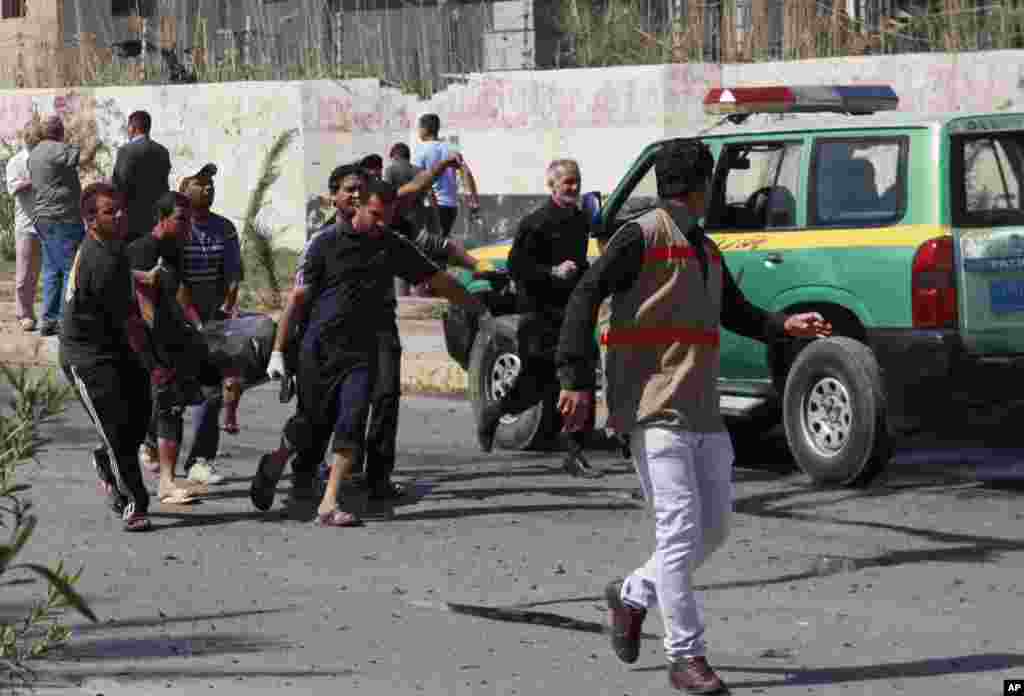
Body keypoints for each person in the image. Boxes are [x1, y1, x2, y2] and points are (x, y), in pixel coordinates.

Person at [555, 140, 832, 693]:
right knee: (679, 530)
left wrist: (784, 325)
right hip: (653, 407)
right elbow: (585, 293)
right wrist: (576, 379)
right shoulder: (639, 236)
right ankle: (686, 656)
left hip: (702, 408)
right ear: (701, 186)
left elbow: (735, 311)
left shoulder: (705, 250)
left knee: (712, 531)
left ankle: (632, 593)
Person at [255, 179, 490, 528]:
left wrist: (475, 307)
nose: (382, 224)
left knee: (351, 421)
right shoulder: (324, 244)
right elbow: (297, 301)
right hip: (318, 350)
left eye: (388, 218)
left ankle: (329, 502)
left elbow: (435, 278)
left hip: (361, 353)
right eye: (376, 215)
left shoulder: (391, 244)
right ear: (357, 206)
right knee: (311, 425)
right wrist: (278, 351)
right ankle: (276, 460)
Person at [476, 159, 600, 478]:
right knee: (535, 386)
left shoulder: (580, 220)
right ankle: (495, 412)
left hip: (572, 314)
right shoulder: (535, 222)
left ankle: (575, 452)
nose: (573, 187)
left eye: (577, 181)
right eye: (568, 182)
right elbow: (518, 267)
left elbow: (578, 262)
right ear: (552, 185)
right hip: (539, 314)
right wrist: (552, 272)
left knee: (580, 377)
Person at [60, 183, 159, 532]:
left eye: (120, 209)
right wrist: (152, 360)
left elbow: (126, 297)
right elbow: (130, 320)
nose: (119, 215)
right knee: (119, 432)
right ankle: (135, 503)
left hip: (116, 347)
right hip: (88, 357)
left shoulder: (113, 247)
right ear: (89, 219)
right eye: (109, 211)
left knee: (138, 420)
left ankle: (105, 460)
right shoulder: (98, 259)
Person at [128, 191, 229, 505]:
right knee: (168, 405)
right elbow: (140, 299)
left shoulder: (175, 247)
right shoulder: (144, 249)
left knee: (180, 399)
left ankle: (155, 457)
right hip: (147, 341)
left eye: (189, 219)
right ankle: (165, 480)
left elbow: (179, 290)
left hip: (172, 337)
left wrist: (197, 325)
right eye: (181, 219)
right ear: (162, 219)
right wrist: (153, 349)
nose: (188, 226)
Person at [29, 115, 98, 336]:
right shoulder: (56, 148)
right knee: (71, 268)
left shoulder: (35, 152)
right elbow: (84, 158)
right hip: (62, 217)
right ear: (59, 131)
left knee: (51, 270)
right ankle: (66, 319)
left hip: (43, 217)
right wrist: (93, 142)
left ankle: (48, 319)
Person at [412, 114, 480, 239]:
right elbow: (466, 174)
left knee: (430, 246)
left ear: (424, 129)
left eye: (419, 128)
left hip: (431, 207)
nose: (418, 132)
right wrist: (473, 202)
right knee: (441, 242)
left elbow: (417, 180)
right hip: (451, 206)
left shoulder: (420, 150)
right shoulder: (451, 148)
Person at [112, 110, 172, 243]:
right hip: (156, 219)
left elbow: (118, 185)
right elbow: (165, 185)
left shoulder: (126, 151)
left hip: (132, 220)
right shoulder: (162, 151)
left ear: (132, 128)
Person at [6, 120, 43, 332]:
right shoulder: (15, 161)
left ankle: (37, 312)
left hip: (44, 222)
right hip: (25, 224)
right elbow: (13, 189)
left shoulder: (42, 160)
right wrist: (31, 180)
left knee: (40, 272)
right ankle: (23, 313)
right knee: (23, 274)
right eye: (34, 140)